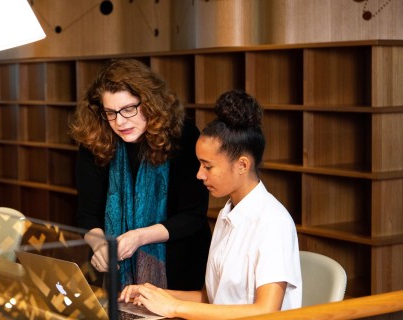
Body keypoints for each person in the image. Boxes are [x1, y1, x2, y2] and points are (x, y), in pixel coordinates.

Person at [119, 90, 302, 319]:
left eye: (208, 166)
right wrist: (154, 295)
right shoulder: (228, 213)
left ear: (242, 165)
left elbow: (266, 311)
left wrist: (174, 308)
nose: (199, 175)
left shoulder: (273, 222)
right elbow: (212, 299)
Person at [68, 58, 211, 291]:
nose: (120, 121)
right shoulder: (94, 140)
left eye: (128, 109)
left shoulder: (182, 136)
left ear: (150, 103)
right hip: (117, 275)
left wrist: (139, 237)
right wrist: (100, 246)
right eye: (110, 113)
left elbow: (193, 215)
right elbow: (87, 215)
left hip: (180, 267)